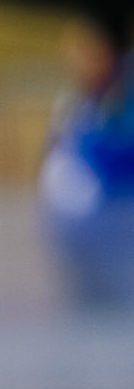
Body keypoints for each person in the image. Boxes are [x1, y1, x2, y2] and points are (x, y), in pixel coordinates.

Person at [39, 22, 134, 314]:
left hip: (111, 231)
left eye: (85, 52)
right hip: (80, 240)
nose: (76, 62)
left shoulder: (119, 99)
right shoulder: (79, 107)